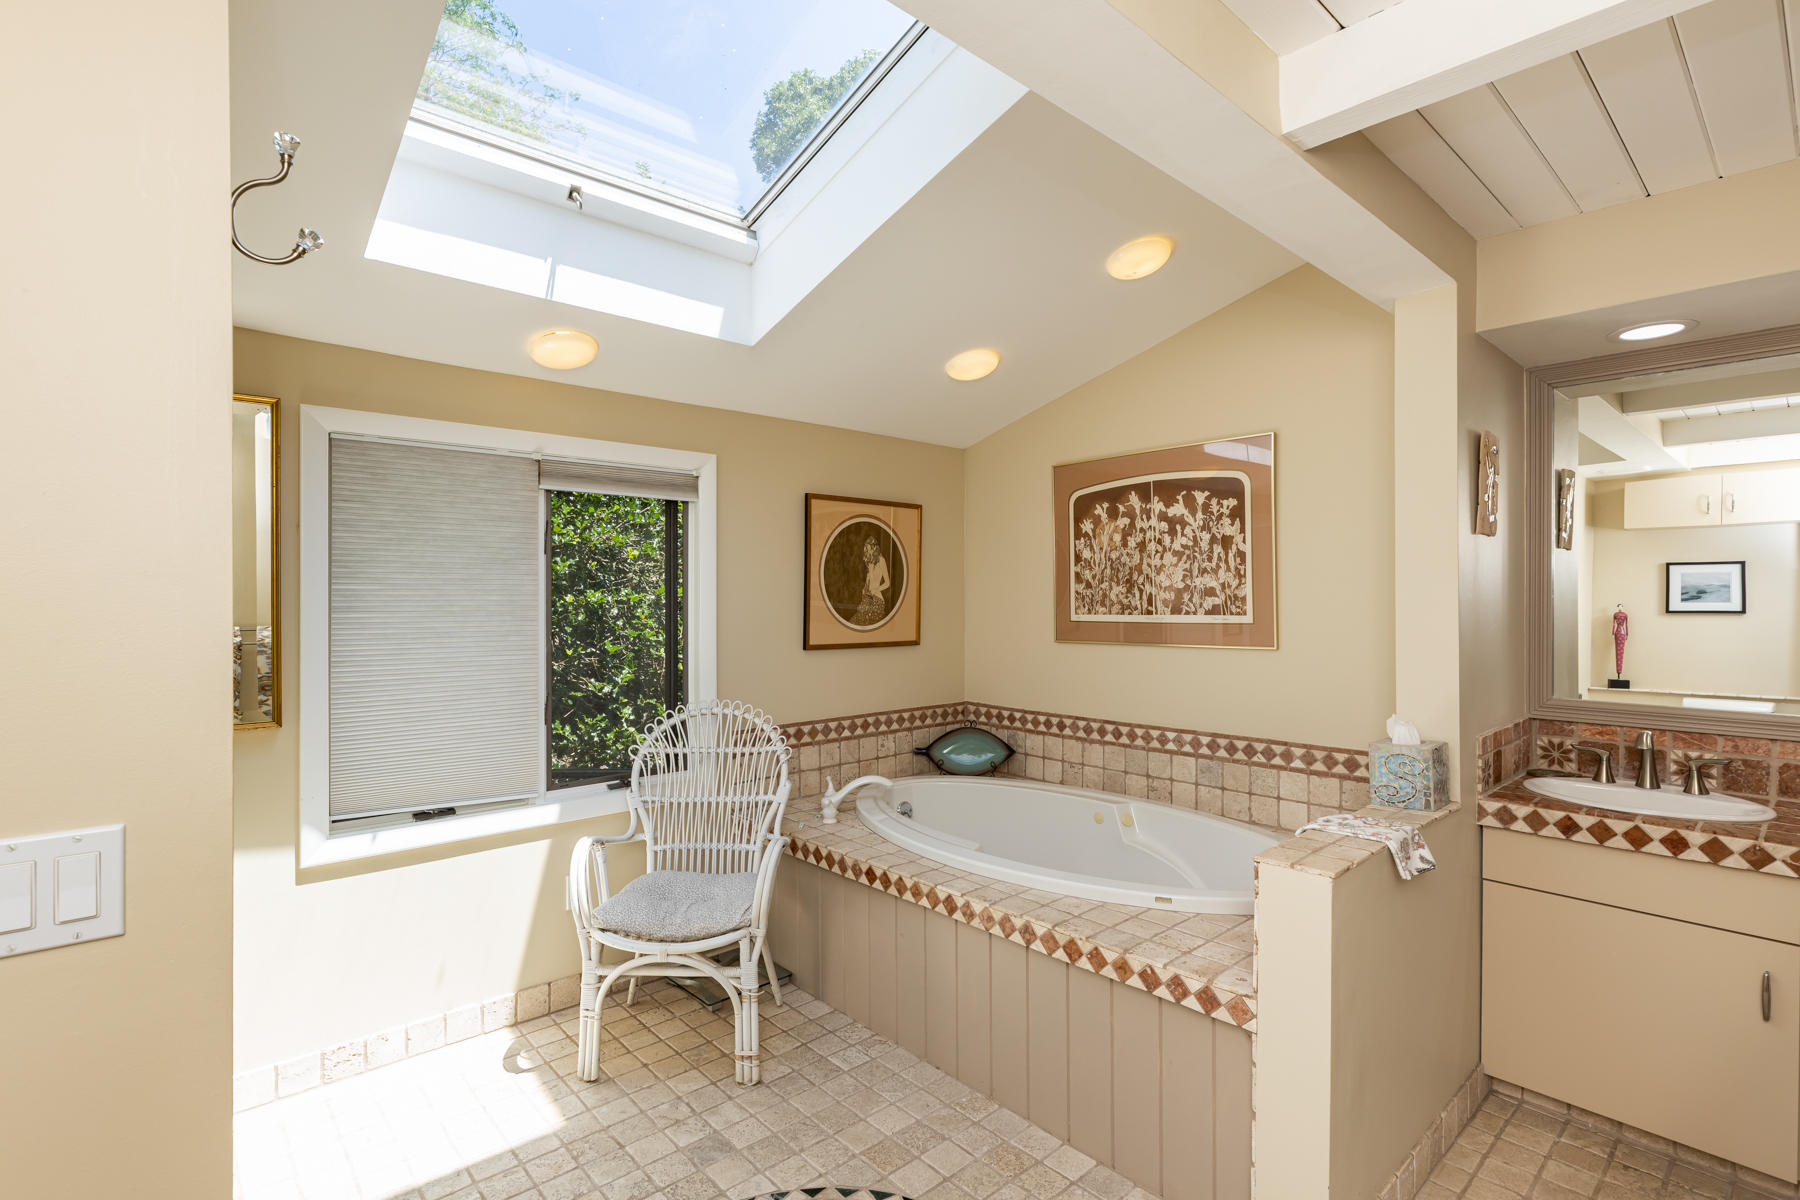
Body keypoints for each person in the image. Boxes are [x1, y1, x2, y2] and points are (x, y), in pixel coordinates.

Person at [853, 534, 890, 626]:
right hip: (867, 599)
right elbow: (869, 581)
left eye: (869, 549)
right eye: (866, 549)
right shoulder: (870, 562)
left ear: (874, 548)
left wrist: (876, 590)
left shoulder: (881, 560)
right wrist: (864, 588)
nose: (868, 552)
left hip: (877, 601)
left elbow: (887, 583)